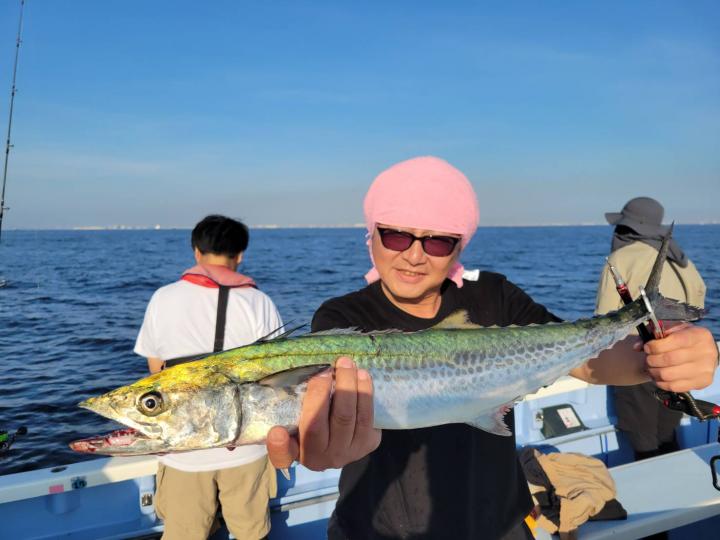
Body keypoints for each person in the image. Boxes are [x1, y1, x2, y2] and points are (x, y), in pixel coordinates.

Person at [264, 157, 719, 540]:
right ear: (372, 234)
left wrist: (660, 358)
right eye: (396, 235)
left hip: (501, 527)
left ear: (459, 245)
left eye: (438, 240)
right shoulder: (341, 320)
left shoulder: (494, 297)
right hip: (377, 531)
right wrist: (321, 446)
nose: (415, 255)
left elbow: (587, 362)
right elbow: (324, 421)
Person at [135, 215, 283, 540]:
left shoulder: (163, 297)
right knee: (251, 533)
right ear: (239, 255)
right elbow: (277, 375)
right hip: (246, 444)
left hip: (183, 450)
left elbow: (156, 372)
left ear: (196, 252)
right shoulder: (259, 302)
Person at [596, 197, 707, 460]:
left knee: (642, 436)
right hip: (676, 358)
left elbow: (603, 320)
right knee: (668, 430)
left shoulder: (620, 258)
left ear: (626, 227)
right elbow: (699, 300)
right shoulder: (680, 259)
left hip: (635, 355)